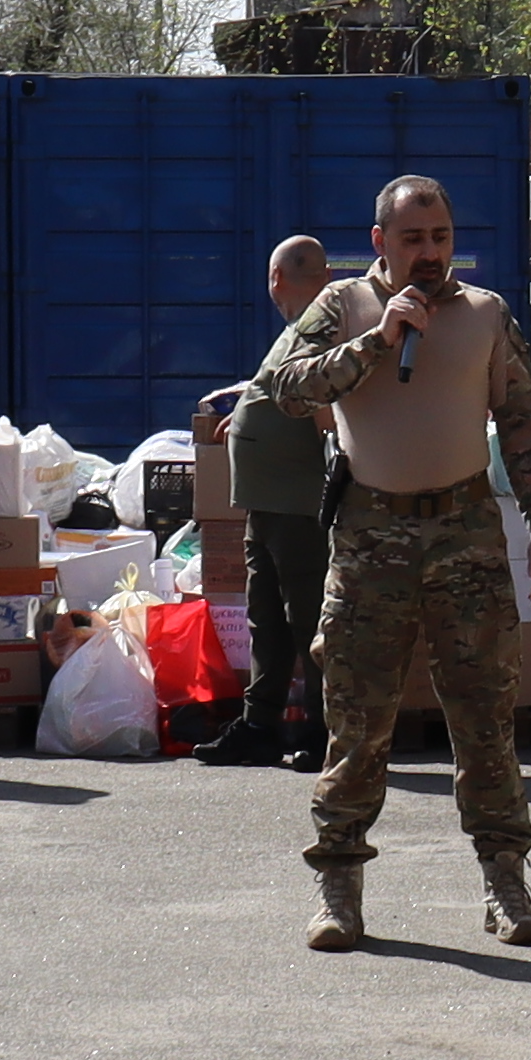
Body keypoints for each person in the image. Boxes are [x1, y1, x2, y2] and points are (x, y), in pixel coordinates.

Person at [257, 172, 531, 950]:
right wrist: (377, 342)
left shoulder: (488, 315)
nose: (428, 255)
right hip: (371, 536)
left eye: (439, 239)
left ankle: (506, 884)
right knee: (357, 719)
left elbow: (524, 423)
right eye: (411, 240)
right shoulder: (345, 308)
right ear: (379, 245)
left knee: (484, 719)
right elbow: (283, 387)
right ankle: (339, 885)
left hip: (465, 531)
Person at [204, 236, 342, 771]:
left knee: (307, 620)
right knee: (267, 618)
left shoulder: (323, 329)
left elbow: (324, 402)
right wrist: (247, 409)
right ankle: (259, 725)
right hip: (266, 502)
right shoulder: (299, 329)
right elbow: (279, 386)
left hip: (296, 503)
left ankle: (319, 728)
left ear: (277, 278)